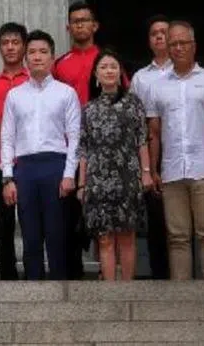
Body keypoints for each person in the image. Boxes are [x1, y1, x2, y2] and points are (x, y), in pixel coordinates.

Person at [0, 30, 81, 281]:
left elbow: (75, 137)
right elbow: (7, 138)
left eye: (43, 52)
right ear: (25, 58)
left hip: (55, 165)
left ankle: (59, 291)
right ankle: (33, 290)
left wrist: (69, 174)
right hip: (25, 168)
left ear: (52, 57)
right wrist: (8, 177)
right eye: (32, 52)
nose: (37, 57)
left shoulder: (66, 93)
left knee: (57, 234)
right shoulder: (15, 95)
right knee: (30, 235)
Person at [146, 20, 204, 281]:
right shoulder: (157, 86)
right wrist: (153, 169)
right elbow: (153, 133)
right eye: (173, 44)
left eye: (183, 43)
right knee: (177, 236)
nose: (178, 48)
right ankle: (182, 293)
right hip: (172, 169)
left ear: (194, 46)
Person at [78, 49, 151, 282]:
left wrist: (147, 173)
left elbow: (142, 140)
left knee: (127, 236)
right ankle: (110, 291)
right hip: (98, 179)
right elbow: (84, 148)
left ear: (120, 72)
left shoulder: (133, 104)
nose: (109, 71)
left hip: (127, 175)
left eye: (113, 66)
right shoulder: (89, 109)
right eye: (104, 67)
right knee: (105, 238)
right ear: (96, 75)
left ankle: (127, 288)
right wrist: (82, 184)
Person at [53, 1, 102, 279]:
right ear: (68, 27)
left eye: (85, 20)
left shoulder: (107, 60)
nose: (80, 25)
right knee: (70, 214)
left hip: (103, 149)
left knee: (103, 211)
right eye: (75, 21)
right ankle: (74, 272)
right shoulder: (60, 64)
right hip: (70, 148)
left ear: (95, 25)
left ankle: (109, 272)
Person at [130, 14, 171, 279]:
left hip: (181, 145)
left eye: (164, 32)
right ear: (149, 40)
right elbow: (135, 120)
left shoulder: (188, 72)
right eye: (154, 33)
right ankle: (160, 275)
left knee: (184, 223)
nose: (160, 36)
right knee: (156, 218)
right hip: (151, 149)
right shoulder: (140, 78)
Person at [0, 22, 29, 280]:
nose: (11, 47)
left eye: (15, 42)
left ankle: (33, 275)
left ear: (24, 46)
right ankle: (8, 278)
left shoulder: (35, 81)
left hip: (27, 161)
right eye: (6, 43)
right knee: (3, 227)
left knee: (30, 224)